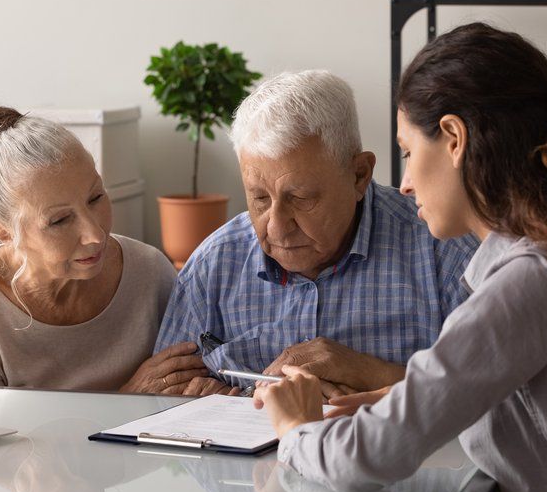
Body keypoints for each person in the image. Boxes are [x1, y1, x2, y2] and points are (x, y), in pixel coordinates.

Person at [253, 23, 547, 492]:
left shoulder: (529, 282)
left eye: (409, 153)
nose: (405, 185)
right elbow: (536, 404)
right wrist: (406, 400)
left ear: (454, 138)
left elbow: (365, 458)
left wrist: (294, 428)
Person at [139, 70, 476, 397]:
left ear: (359, 175)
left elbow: (496, 401)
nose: (276, 226)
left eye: (300, 198)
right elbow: (159, 403)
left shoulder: (444, 252)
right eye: (259, 198)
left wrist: (371, 374)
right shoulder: (214, 264)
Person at [0, 84, 199, 392]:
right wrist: (128, 397)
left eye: (96, 197)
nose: (95, 234)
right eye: (59, 220)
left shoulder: (150, 273)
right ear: (3, 231)